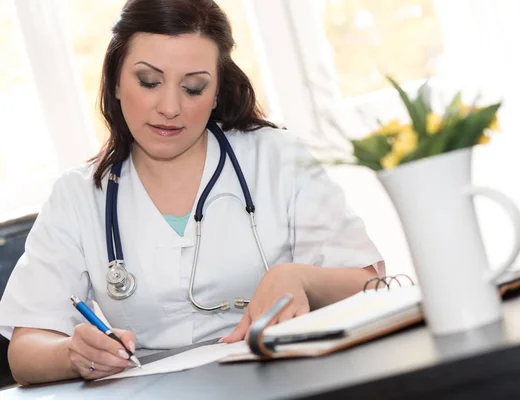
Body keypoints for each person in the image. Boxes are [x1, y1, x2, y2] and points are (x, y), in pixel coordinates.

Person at [0, 0, 384, 385]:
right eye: (149, 82)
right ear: (116, 80)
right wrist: (73, 353)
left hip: (290, 379)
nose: (170, 107)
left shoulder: (276, 156)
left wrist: (300, 278)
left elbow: (370, 285)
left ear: (217, 92)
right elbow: (25, 349)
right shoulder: (79, 196)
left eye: (194, 88)